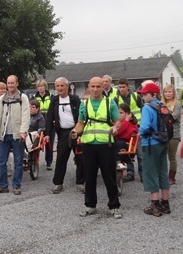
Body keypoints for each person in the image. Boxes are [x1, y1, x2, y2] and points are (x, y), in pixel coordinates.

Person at [71, 77, 122, 219]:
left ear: (103, 87)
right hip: (88, 144)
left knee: (109, 176)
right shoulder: (84, 104)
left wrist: (115, 127)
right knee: (90, 176)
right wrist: (75, 132)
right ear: (88, 86)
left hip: (106, 143)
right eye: (92, 86)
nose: (95, 89)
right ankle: (90, 205)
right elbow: (81, 123)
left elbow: (118, 121)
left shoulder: (109, 102)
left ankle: (114, 206)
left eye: (98, 86)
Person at [0, 75, 30, 195]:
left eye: (12, 83)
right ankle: (3, 185)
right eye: (9, 83)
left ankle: (17, 185)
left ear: (17, 83)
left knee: (18, 162)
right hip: (4, 135)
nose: (10, 85)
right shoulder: (3, 98)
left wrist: (23, 131)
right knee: (1, 161)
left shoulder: (23, 98)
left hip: (17, 135)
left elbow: (26, 116)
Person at [138, 83, 170, 216]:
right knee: (163, 171)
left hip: (150, 143)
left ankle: (155, 204)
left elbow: (145, 126)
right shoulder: (163, 106)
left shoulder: (147, 108)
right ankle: (165, 203)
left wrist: (139, 132)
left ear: (154, 94)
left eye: (146, 94)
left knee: (151, 172)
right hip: (163, 142)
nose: (143, 96)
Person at [45, 77, 81, 194]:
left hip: (76, 130)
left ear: (67, 86)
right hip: (62, 133)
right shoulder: (54, 100)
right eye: (58, 86)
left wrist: (80, 132)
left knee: (80, 157)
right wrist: (47, 134)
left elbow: (81, 117)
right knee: (61, 158)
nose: (60, 88)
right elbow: (49, 118)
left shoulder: (75, 99)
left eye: (62, 86)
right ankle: (58, 183)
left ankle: (80, 182)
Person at [113, 78, 144, 182]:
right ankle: (130, 173)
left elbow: (143, 109)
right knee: (123, 148)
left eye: (123, 87)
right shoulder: (116, 98)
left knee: (140, 152)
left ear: (128, 86)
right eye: (119, 87)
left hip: (137, 126)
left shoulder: (136, 96)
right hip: (123, 125)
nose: (121, 89)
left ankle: (142, 174)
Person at [161, 84, 183, 185]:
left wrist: (164, 114)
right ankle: (163, 176)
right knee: (162, 156)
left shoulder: (177, 104)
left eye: (170, 92)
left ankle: (171, 177)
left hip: (174, 134)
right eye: (166, 92)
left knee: (172, 156)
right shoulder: (161, 104)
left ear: (173, 93)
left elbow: (173, 117)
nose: (168, 94)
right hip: (163, 133)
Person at [34, 79, 54, 170]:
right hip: (38, 123)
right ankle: (35, 161)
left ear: (45, 87)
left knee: (49, 143)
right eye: (38, 86)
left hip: (49, 123)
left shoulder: (51, 97)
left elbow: (54, 110)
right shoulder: (34, 98)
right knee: (36, 143)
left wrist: (54, 119)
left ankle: (48, 162)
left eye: (42, 86)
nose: (40, 88)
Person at [115, 103, 139, 168]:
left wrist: (126, 120)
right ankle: (119, 164)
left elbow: (119, 131)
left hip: (129, 145)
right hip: (119, 145)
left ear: (128, 114)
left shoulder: (131, 124)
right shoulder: (118, 123)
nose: (119, 115)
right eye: (117, 113)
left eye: (121, 113)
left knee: (119, 143)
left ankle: (130, 171)